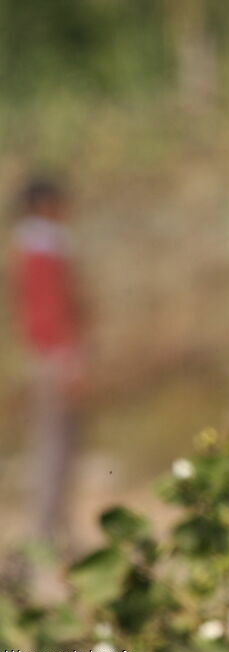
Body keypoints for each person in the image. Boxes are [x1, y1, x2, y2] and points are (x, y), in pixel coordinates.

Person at [10, 177, 85, 545]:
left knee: (62, 444)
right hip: (54, 356)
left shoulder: (41, 246)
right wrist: (67, 357)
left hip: (52, 354)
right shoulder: (42, 249)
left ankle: (58, 527)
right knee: (55, 445)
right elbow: (49, 310)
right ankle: (47, 532)